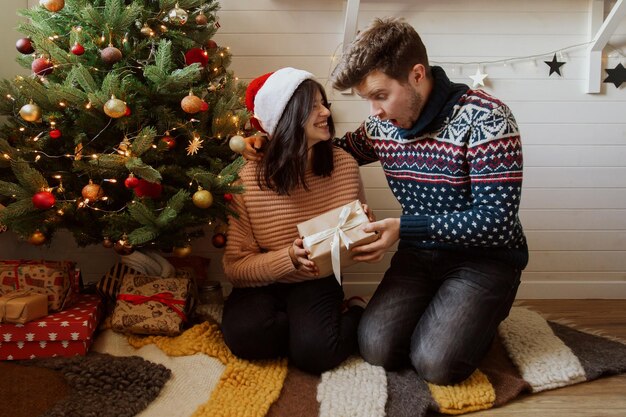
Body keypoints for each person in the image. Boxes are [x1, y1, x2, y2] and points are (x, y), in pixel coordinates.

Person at [243, 18, 528, 385]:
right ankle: (444, 316)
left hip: (484, 260)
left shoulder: (487, 118)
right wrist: (269, 144)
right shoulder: (382, 127)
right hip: (420, 256)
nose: (374, 111)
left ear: (417, 75)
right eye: (368, 100)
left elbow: (497, 221)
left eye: (380, 95)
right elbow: (332, 152)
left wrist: (403, 228)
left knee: (436, 364)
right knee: (375, 348)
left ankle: (479, 317)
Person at [221, 67, 368, 374]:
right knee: (245, 337)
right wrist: (288, 258)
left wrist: (366, 232)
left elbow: (356, 239)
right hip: (263, 278)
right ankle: (301, 329)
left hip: (316, 280)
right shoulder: (249, 177)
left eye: (323, 102)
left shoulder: (343, 166)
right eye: (313, 106)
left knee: (317, 355)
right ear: (286, 116)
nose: (326, 112)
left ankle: (354, 311)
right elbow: (235, 268)